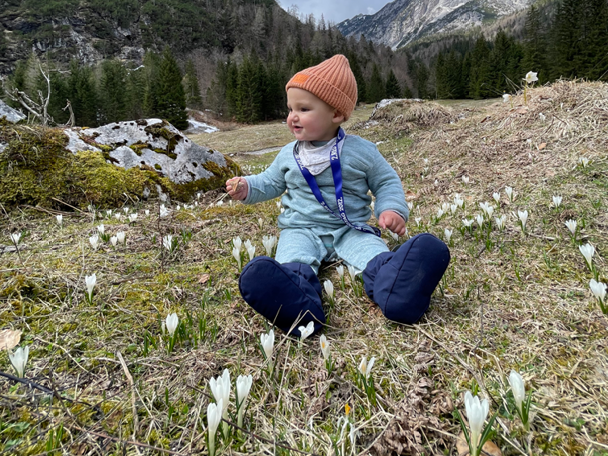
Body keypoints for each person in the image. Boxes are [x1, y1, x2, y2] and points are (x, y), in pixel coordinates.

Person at [226, 55, 450, 337]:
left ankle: (396, 288)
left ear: (336, 114)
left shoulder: (361, 151)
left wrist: (391, 209)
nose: (292, 117)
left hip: (350, 228)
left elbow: (386, 180)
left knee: (373, 255)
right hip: (300, 229)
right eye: (290, 109)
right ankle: (298, 306)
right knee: (293, 260)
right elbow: (270, 182)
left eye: (303, 108)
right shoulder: (288, 154)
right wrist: (247, 187)